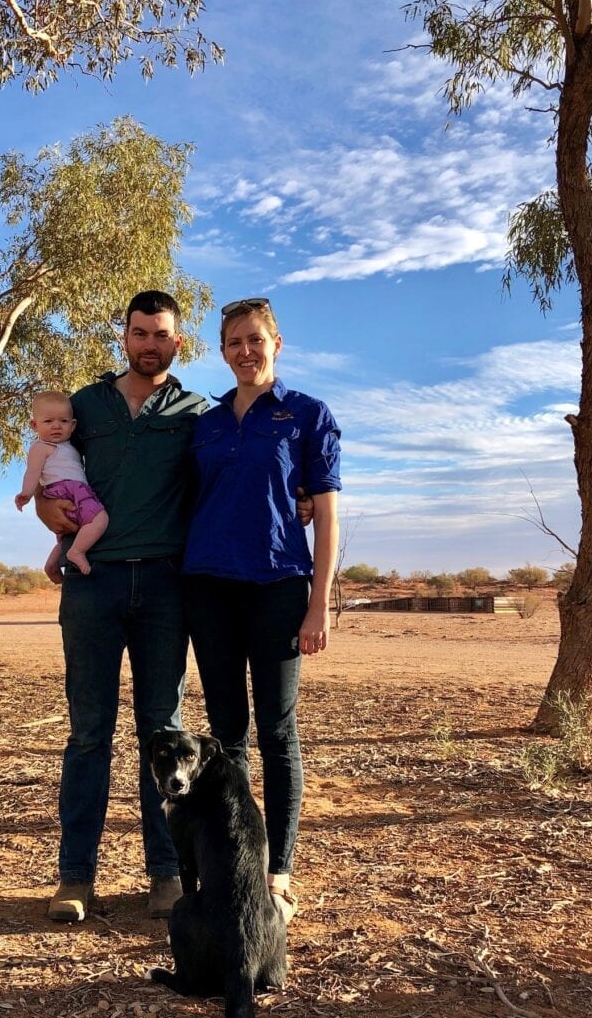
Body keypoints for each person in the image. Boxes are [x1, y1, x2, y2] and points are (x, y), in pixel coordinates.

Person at [35, 291, 208, 923]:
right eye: (139, 333)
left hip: (166, 587)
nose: (148, 344)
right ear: (125, 335)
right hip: (94, 585)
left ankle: (166, 875)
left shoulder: (195, 411)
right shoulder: (83, 406)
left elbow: (237, 472)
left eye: (160, 335)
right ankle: (75, 878)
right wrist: (51, 515)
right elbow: (54, 471)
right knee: (88, 733)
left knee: (161, 733)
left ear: (176, 343)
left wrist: (300, 495)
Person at [182, 296, 341, 924]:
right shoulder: (207, 420)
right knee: (226, 736)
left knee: (277, 732)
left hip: (279, 585)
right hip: (209, 586)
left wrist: (319, 603)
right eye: (233, 344)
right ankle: (236, 865)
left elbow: (324, 513)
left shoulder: (306, 415)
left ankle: (277, 873)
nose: (245, 352)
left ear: (277, 343)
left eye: (256, 340)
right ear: (222, 352)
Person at [15, 391, 109, 579]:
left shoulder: (69, 446)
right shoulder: (41, 447)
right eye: (48, 421)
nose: (56, 426)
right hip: (68, 490)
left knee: (70, 531)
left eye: (63, 421)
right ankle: (76, 552)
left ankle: (58, 558)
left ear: (73, 425)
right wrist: (27, 493)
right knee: (100, 520)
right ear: (34, 425)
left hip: (73, 490)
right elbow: (33, 472)